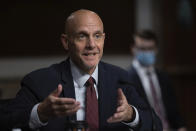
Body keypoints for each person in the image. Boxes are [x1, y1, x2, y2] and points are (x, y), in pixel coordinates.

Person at [3, 10, 161, 131]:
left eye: (97, 36)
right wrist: (39, 113)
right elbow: (5, 118)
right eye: (82, 36)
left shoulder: (120, 78)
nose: (91, 44)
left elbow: (155, 123)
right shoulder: (39, 81)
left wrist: (131, 115)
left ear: (104, 40)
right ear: (66, 42)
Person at [127, 30, 188, 131]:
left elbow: (173, 110)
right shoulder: (126, 79)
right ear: (133, 49)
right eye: (142, 49)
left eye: (150, 48)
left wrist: (181, 127)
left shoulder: (163, 76)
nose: (147, 52)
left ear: (156, 50)